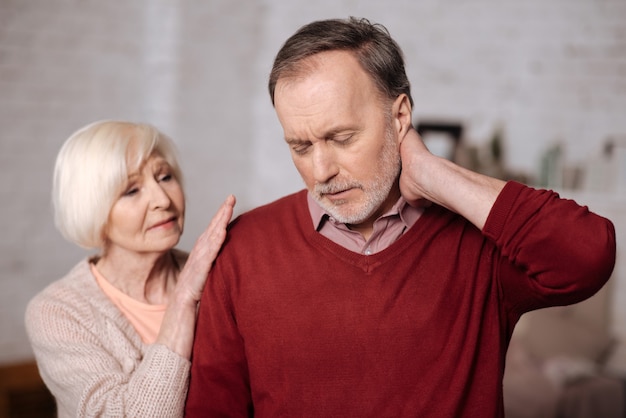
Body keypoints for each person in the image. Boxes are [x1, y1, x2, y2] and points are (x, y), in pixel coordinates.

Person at [185, 17, 616, 417]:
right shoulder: (243, 250)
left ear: (400, 116)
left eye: (342, 137)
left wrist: (435, 173)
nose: (321, 171)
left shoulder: (478, 245)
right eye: (300, 146)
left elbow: (588, 256)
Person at [24, 120, 235, 417]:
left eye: (165, 176)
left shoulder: (221, 275)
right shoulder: (56, 312)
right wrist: (182, 301)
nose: (162, 200)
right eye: (132, 190)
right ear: (92, 210)